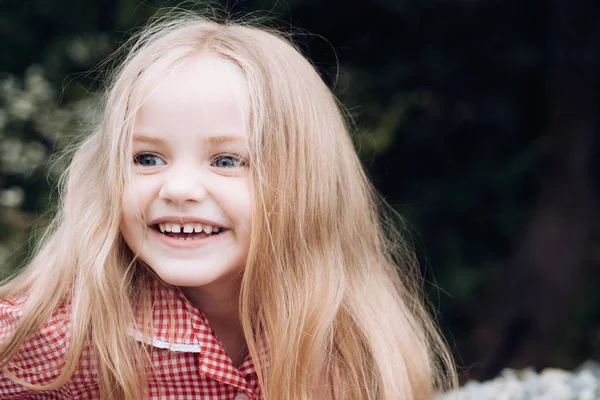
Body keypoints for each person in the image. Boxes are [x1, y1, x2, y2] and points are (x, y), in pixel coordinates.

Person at [0, 12, 457, 400]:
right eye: (146, 158)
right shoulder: (59, 337)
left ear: (305, 185)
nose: (178, 188)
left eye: (226, 160)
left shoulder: (351, 345)